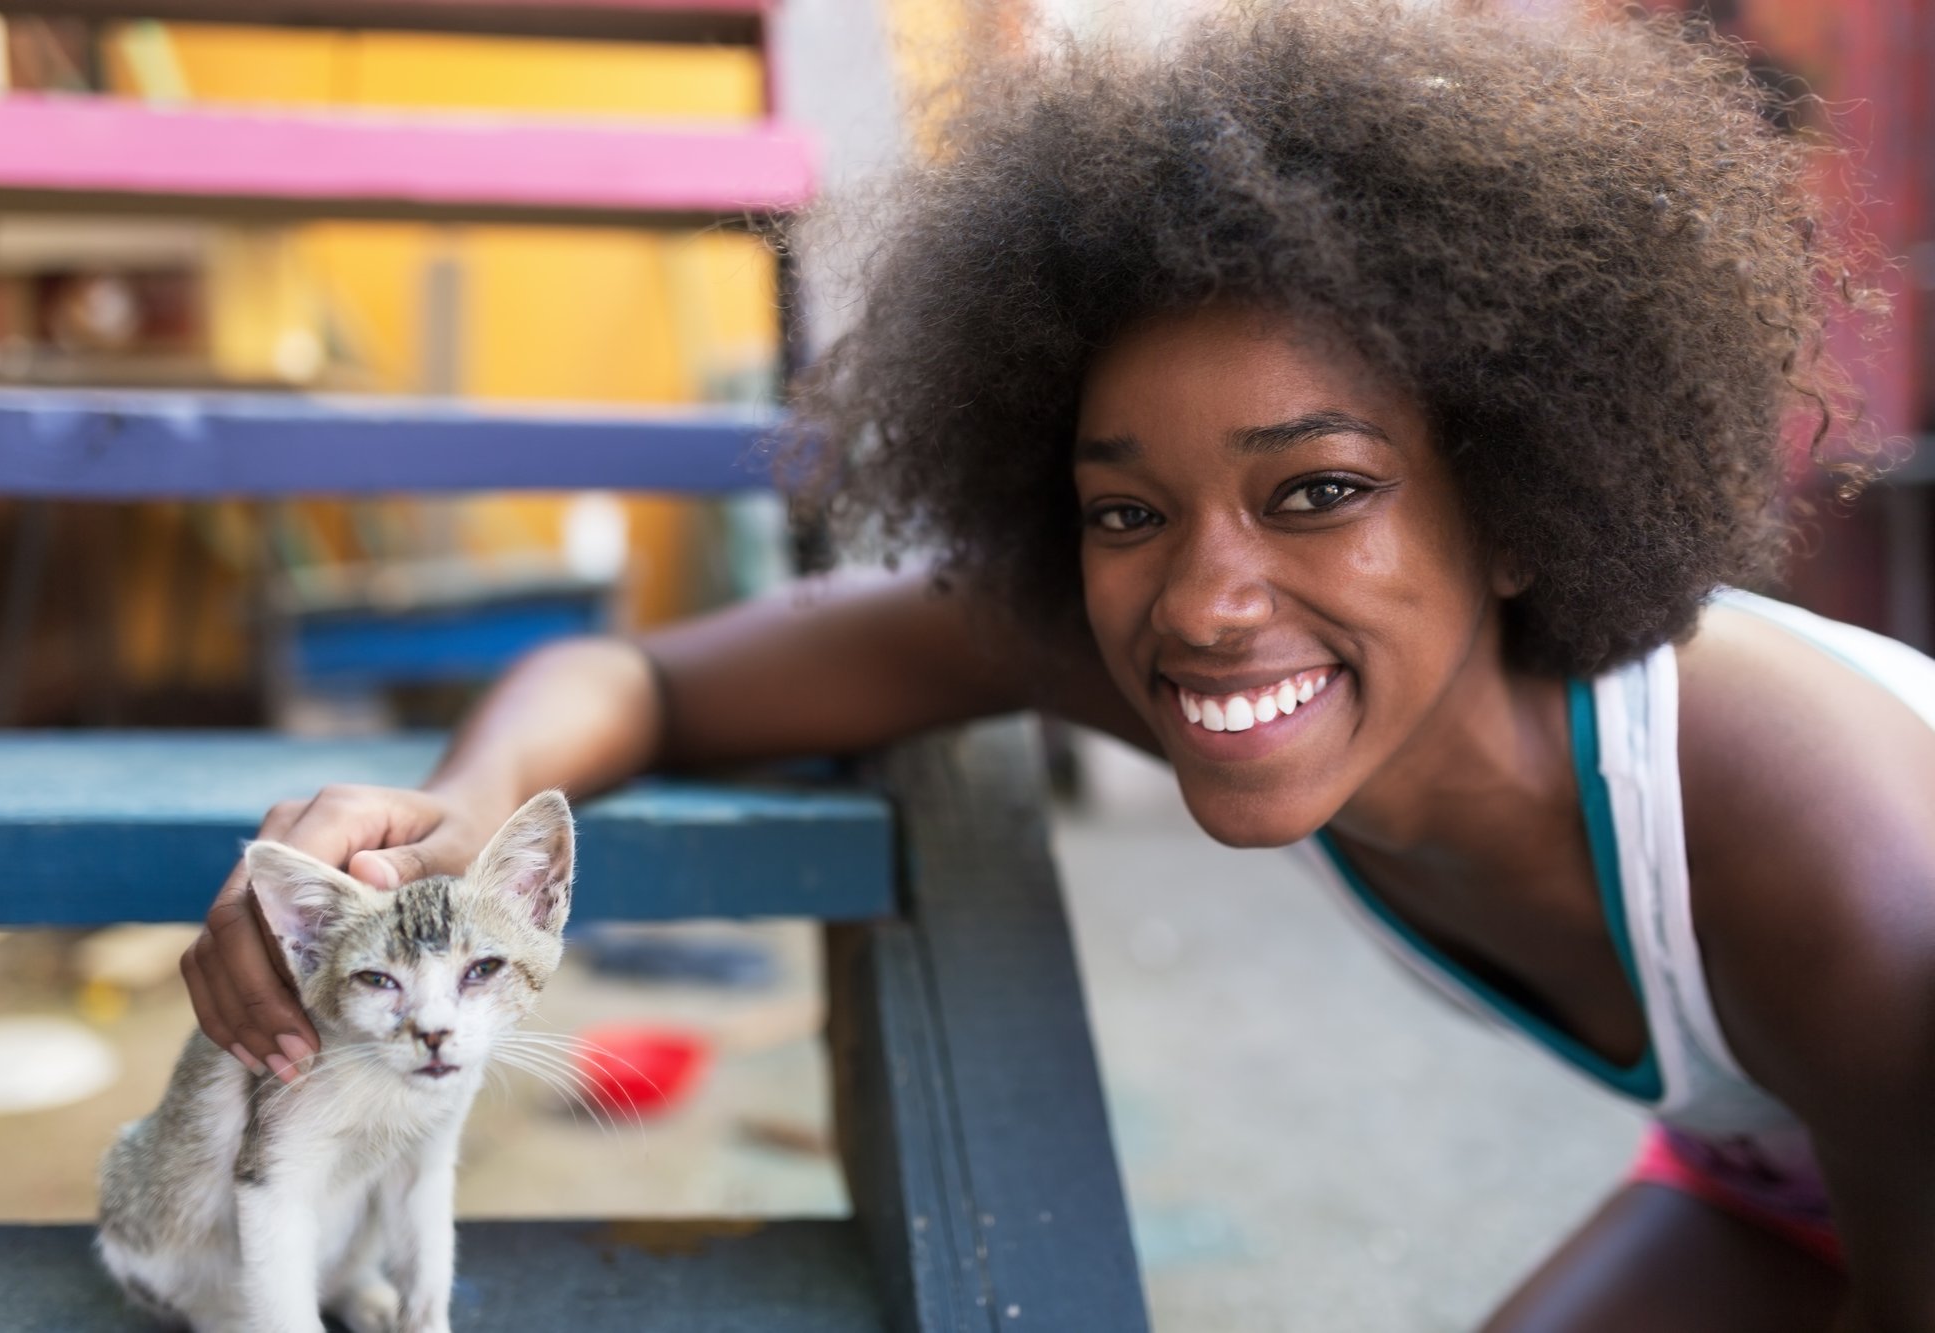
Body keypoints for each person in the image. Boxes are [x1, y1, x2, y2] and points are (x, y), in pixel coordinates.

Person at [182, 4, 1934, 1328]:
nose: (1206, 599)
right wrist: (448, 824)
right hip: (1767, 1175)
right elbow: (651, 683)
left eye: (1319, 491)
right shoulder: (1208, 664)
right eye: (1123, 511)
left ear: (1524, 503)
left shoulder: (1840, 866)